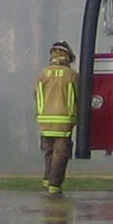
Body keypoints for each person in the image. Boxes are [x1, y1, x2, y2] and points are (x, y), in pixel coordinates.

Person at [35, 42, 79, 195]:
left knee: (48, 152)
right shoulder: (71, 75)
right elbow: (78, 96)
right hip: (64, 121)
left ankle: (47, 180)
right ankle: (54, 186)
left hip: (45, 122)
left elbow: (37, 96)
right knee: (60, 155)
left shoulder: (42, 74)